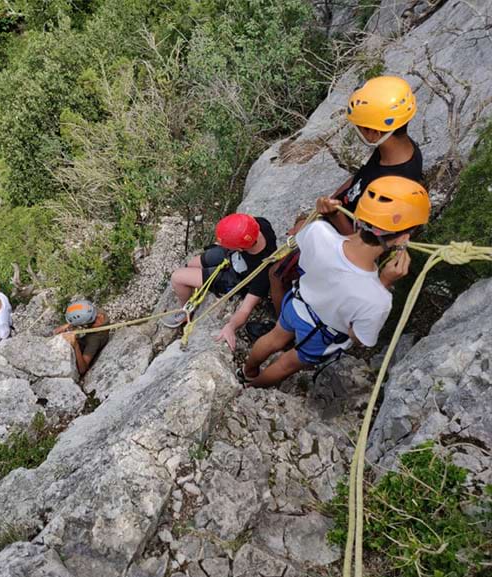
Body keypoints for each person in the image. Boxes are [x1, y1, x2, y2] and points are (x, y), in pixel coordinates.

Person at [239, 176, 430, 388]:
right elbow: (358, 337)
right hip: (320, 332)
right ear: (404, 237)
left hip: (296, 303)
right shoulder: (378, 299)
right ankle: (251, 389)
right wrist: (382, 283)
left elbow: (306, 240)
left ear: (359, 214)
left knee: (274, 337)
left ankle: (248, 371)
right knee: (286, 364)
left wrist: (332, 216)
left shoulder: (319, 232)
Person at [268, 75, 423, 316]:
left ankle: (283, 327)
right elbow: (359, 178)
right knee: (298, 230)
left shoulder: (395, 181)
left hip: (346, 240)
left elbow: (360, 239)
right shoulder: (395, 148)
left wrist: (330, 215)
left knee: (276, 274)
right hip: (339, 218)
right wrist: (325, 207)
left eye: (361, 127)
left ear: (373, 132)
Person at [162, 213, 278, 351]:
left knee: (178, 278)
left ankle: (186, 310)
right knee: (191, 264)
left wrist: (231, 326)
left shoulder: (261, 273)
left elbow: (245, 309)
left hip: (234, 276)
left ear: (240, 248)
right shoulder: (260, 225)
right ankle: (191, 295)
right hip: (231, 255)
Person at [53, 299, 109, 376]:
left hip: (80, 349)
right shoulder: (95, 312)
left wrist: (75, 345)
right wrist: (69, 324)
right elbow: (82, 313)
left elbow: (82, 369)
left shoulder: (95, 339)